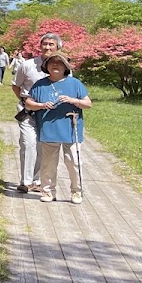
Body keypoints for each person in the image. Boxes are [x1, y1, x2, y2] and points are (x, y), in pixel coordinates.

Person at [24, 51, 91, 203]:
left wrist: (73, 100)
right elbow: (28, 102)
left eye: (59, 63)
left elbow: (88, 103)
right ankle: (48, 192)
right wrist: (41, 105)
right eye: (51, 62)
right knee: (48, 164)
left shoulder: (75, 83)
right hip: (49, 128)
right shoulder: (40, 84)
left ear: (65, 67)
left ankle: (76, 192)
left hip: (70, 129)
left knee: (74, 161)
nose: (55, 65)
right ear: (46, 66)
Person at [11, 33, 63, 194]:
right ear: (39, 47)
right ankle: (25, 182)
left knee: (43, 146)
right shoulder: (27, 65)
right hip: (28, 113)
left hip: (50, 115)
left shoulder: (63, 67)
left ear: (58, 47)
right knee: (28, 144)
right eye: (44, 44)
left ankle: (37, 180)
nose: (47, 47)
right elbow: (16, 86)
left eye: (51, 44)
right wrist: (27, 103)